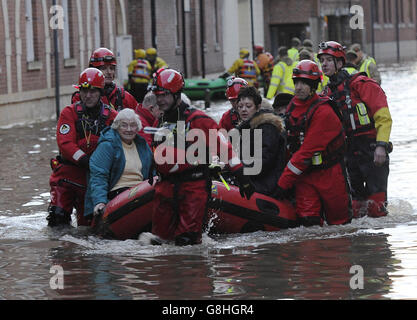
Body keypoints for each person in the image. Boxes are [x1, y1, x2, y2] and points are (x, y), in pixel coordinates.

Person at [147, 68, 254, 246]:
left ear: (177, 94)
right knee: (159, 242)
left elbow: (224, 148)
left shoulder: (199, 120)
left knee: (187, 243)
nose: (160, 100)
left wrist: (241, 175)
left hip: (192, 189)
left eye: (164, 95)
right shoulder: (160, 121)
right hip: (165, 188)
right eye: (157, 95)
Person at [318, 41, 392, 218]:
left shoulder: (361, 84)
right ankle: (361, 245)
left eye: (329, 60)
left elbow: (383, 116)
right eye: (322, 60)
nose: (324, 64)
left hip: (372, 149)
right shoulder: (326, 94)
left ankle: (378, 244)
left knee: (376, 208)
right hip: (348, 153)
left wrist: (381, 145)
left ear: (340, 63)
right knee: (356, 209)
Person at [275, 60, 352, 227]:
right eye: (297, 82)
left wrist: (283, 183)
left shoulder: (324, 112)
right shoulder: (292, 107)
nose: (299, 87)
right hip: (305, 176)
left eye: (305, 83)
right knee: (308, 225)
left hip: (330, 174)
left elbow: (307, 151)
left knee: (340, 225)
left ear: (314, 85)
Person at [47, 68, 118, 227]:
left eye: (93, 91)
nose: (88, 95)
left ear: (100, 92)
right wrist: (85, 159)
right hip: (68, 174)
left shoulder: (112, 116)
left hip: (93, 178)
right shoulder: (69, 113)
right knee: (57, 219)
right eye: (84, 91)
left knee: (87, 226)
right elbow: (65, 143)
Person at [84, 108, 153, 220]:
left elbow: (152, 172)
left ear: (138, 127)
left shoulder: (142, 146)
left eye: (133, 125)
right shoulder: (107, 145)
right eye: (124, 125)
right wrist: (100, 202)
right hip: (117, 195)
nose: (129, 129)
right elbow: (99, 176)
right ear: (117, 127)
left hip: (141, 191)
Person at [236, 86, 286, 196]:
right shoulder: (246, 128)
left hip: (267, 184)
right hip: (255, 179)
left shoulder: (267, 128)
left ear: (258, 107)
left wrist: (237, 169)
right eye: (240, 106)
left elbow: (263, 162)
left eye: (248, 106)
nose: (244, 109)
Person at [72, 48, 139, 111]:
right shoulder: (80, 97)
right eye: (104, 68)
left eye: (112, 68)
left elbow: (140, 118)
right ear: (93, 70)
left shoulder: (123, 96)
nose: (109, 72)